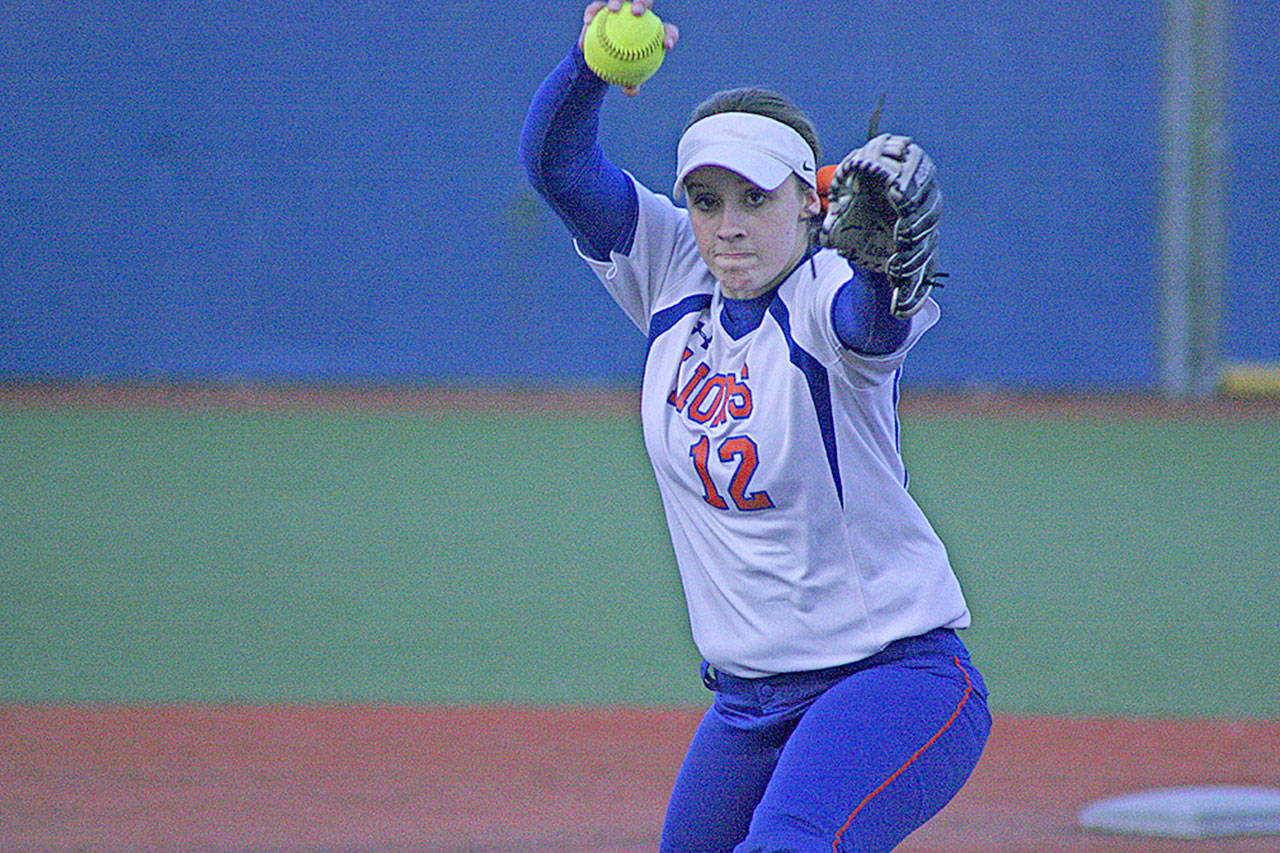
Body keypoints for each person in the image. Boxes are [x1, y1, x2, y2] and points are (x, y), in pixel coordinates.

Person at [519, 2, 991, 850]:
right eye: (705, 199)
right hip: (748, 702)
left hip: (890, 676)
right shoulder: (672, 267)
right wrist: (591, 66)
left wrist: (884, 268)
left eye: (754, 198)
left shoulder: (825, 296)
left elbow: (869, 325)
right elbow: (558, 168)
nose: (727, 224)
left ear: (811, 204)